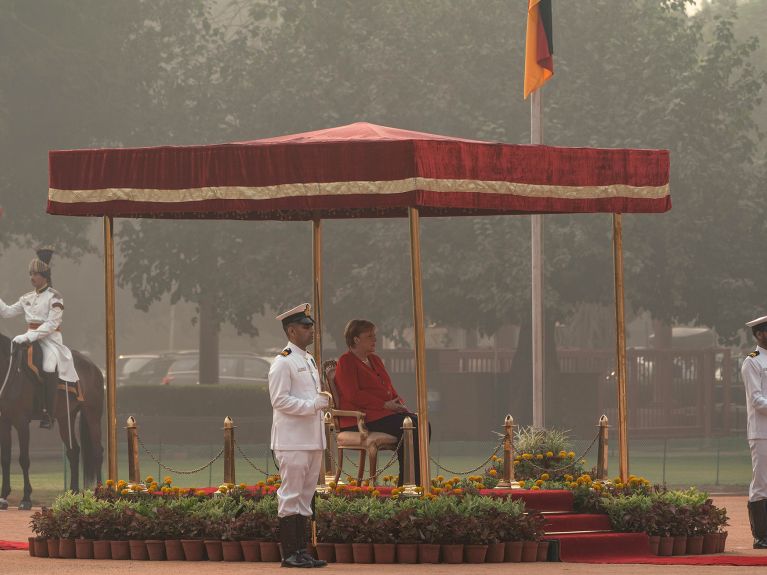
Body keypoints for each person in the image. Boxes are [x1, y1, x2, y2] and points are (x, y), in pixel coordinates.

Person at [334, 319, 429, 486]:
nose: (375, 340)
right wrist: (384, 405)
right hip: (361, 419)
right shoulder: (346, 361)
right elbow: (353, 395)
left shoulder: (375, 359)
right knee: (407, 427)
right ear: (356, 339)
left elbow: (388, 387)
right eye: (370, 336)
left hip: (383, 414)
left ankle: (416, 479)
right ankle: (406, 483)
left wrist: (398, 403)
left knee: (422, 424)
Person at [269, 303, 329, 568]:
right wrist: (313, 406)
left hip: (311, 438)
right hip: (292, 440)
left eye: (311, 326)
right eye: (306, 327)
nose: (311, 330)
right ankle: (290, 554)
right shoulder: (283, 362)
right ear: (291, 331)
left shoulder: (308, 359)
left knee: (305, 497)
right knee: (291, 495)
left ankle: (301, 552)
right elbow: (279, 400)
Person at [0, 248, 79, 429]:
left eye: (35, 274)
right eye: (30, 274)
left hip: (50, 340)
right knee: (12, 361)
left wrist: (28, 336)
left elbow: (51, 325)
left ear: (44, 276)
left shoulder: (55, 297)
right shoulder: (27, 298)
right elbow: (6, 312)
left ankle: (49, 413)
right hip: (28, 339)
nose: (32, 277)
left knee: (48, 365)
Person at [742, 314, 767, 549]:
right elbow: (757, 400)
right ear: (760, 334)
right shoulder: (753, 361)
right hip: (762, 431)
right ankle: (761, 535)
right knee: (761, 482)